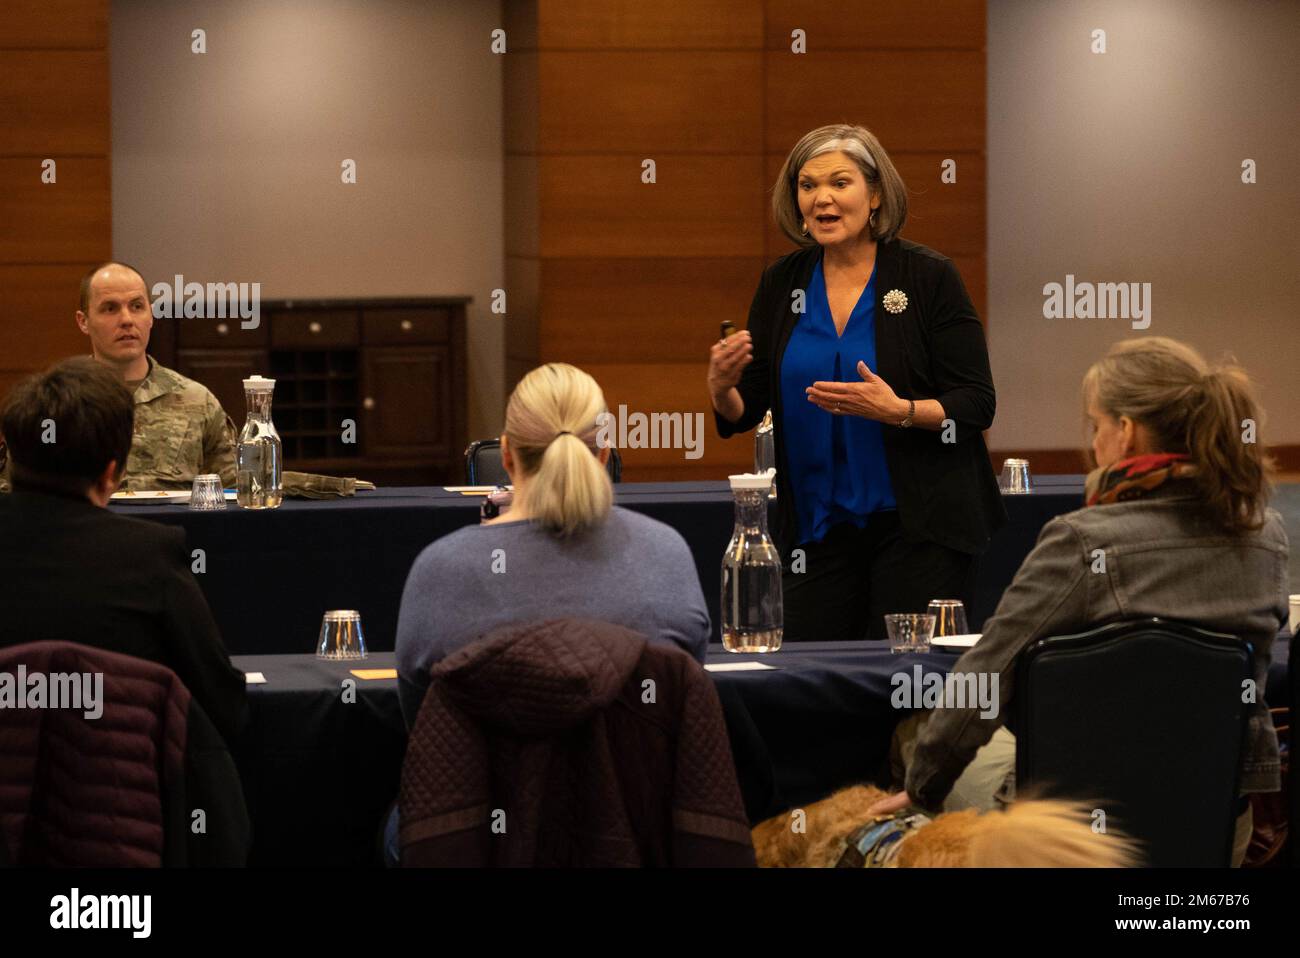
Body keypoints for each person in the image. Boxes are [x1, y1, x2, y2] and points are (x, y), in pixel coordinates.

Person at [873, 337, 1288, 868]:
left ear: (1126, 431)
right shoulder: (1266, 535)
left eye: (1095, 426)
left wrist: (923, 786)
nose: (1093, 444)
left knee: (913, 735)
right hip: (1215, 828)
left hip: (1066, 841)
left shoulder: (1082, 539)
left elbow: (984, 677)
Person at [708, 124, 1005, 643]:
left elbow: (976, 403)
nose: (821, 197)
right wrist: (721, 387)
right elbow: (748, 408)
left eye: (839, 183)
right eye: (807, 185)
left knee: (904, 688)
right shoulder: (784, 282)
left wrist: (902, 411)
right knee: (809, 680)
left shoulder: (927, 276)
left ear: (874, 196)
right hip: (817, 528)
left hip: (920, 526)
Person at [395, 362, 710, 728]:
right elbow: (684, 706)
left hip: (484, 787)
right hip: (639, 785)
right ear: (605, 455)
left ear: (507, 456)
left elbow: (421, 730)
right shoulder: (666, 556)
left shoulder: (439, 572)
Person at [0, 357, 247, 745]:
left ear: (12, 462)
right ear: (112, 473)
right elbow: (222, 703)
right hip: (120, 787)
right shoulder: (149, 555)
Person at [0, 262, 237, 493]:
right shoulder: (53, 405)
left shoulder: (197, 402)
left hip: (172, 531)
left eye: (136, 306)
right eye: (110, 308)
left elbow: (233, 494)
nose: (126, 320)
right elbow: (16, 494)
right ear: (83, 322)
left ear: (151, 316)